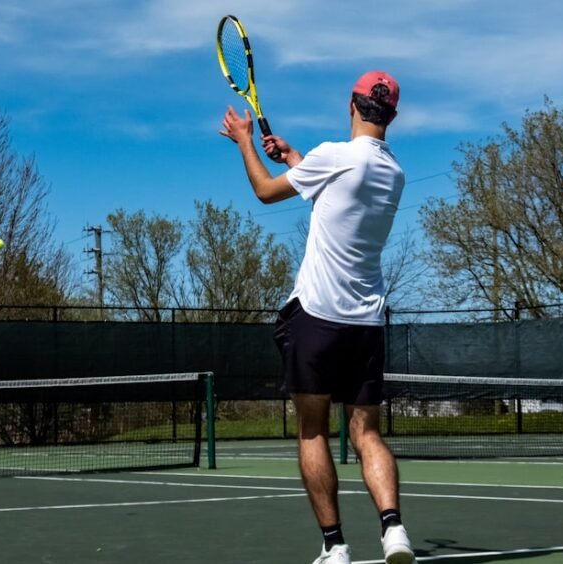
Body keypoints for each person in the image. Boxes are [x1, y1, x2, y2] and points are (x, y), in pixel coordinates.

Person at [219, 71, 414, 564]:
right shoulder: (394, 173)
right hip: (366, 325)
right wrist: (293, 158)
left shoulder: (334, 156)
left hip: (317, 317)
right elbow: (335, 190)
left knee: (312, 431)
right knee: (367, 434)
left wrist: (244, 142)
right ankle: (394, 530)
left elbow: (266, 192)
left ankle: (334, 545)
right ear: (391, 115)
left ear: (351, 104)